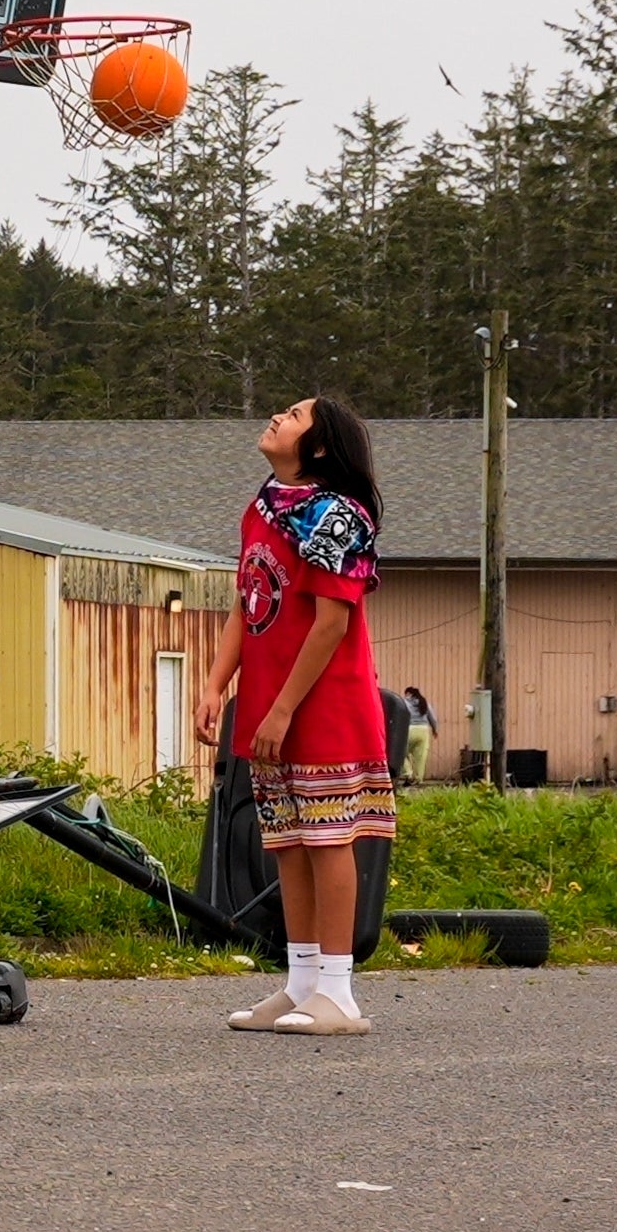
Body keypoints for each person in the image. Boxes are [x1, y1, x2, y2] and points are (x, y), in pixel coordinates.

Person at [212, 394, 395, 1035]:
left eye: (293, 415)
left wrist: (284, 708)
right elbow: (246, 601)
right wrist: (216, 684)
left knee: (327, 840)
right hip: (270, 707)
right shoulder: (263, 506)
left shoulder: (338, 515)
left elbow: (330, 625)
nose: (276, 417)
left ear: (317, 447)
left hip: (322, 707)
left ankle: (339, 993)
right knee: (287, 845)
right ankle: (300, 984)